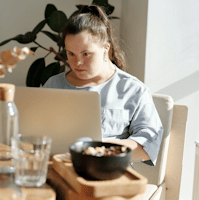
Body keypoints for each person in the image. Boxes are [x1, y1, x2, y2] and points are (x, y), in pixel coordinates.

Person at [43, 5, 163, 166]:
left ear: (105, 49)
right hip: (60, 170)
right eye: (71, 53)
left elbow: (147, 146)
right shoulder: (53, 85)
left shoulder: (133, 90)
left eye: (86, 54)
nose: (77, 62)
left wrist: (95, 149)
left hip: (108, 174)